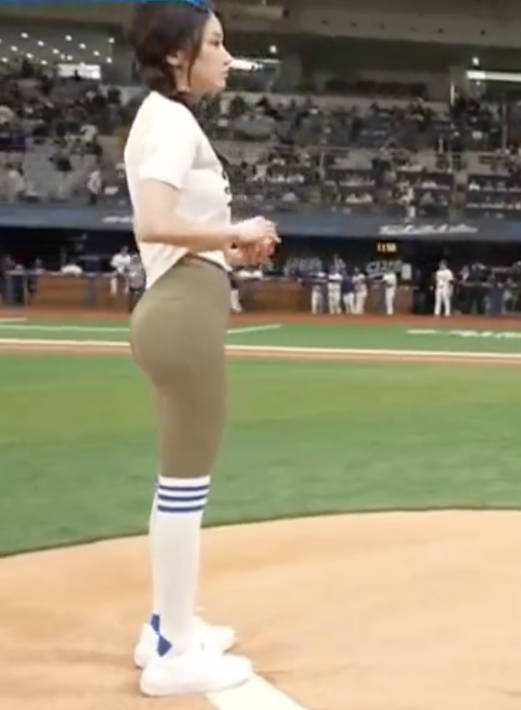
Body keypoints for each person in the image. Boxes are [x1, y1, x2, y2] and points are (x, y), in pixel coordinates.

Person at [123, 0, 278, 697]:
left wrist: (232, 249)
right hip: (181, 312)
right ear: (178, 53)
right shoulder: (171, 120)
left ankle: (168, 623)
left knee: (179, 480)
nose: (226, 55)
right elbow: (154, 222)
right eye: (215, 43)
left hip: (186, 301)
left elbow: (174, 227)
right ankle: (174, 648)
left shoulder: (168, 121)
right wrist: (232, 230)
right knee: (186, 484)